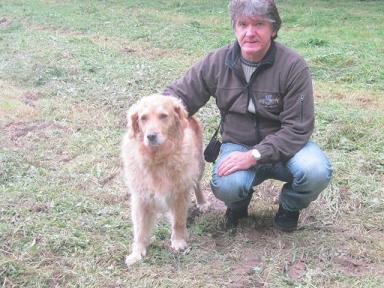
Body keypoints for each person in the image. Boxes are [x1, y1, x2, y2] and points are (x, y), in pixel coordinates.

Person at [163, 0, 332, 232]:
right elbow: (178, 96)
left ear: (273, 29)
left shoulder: (293, 67)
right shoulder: (216, 62)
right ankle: (238, 203)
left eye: (259, 24)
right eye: (242, 24)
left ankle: (290, 206)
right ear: (234, 28)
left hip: (286, 148)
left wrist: (255, 155)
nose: (249, 33)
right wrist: (151, 112)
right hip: (237, 144)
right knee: (226, 185)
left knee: (316, 170)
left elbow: (298, 128)